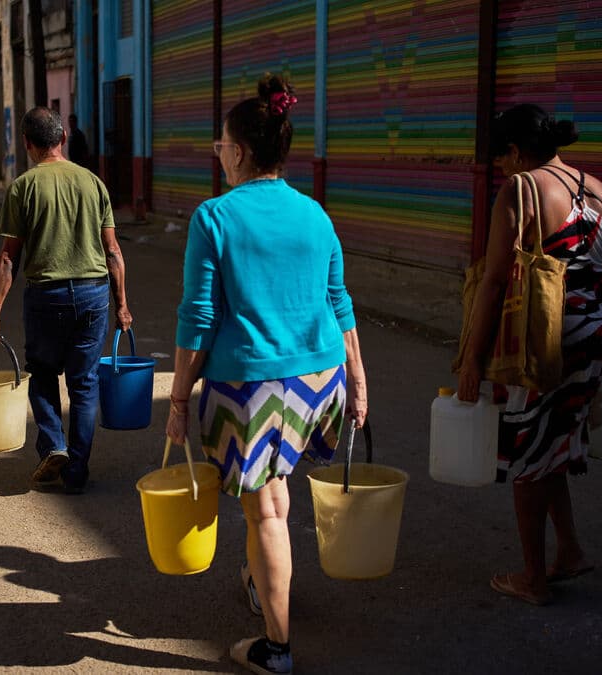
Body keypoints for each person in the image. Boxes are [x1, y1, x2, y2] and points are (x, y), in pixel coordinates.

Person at [165, 74, 368, 674]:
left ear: (242, 151)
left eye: (221, 143)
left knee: (268, 511)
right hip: (319, 379)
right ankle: (263, 581)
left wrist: (177, 397)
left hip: (253, 386)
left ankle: (276, 648)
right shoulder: (315, 215)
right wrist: (358, 379)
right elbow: (340, 302)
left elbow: (197, 319)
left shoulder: (215, 217)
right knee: (274, 489)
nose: (216, 152)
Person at [456, 103, 602, 606]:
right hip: (598, 331)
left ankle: (533, 578)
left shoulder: (521, 188)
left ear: (515, 152)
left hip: (549, 338)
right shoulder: (601, 191)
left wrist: (471, 358)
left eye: (502, 158)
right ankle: (569, 551)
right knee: (554, 443)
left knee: (529, 452)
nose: (502, 169)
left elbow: (491, 283)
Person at [0, 106, 132, 495]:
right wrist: (122, 305)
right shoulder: (93, 183)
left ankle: (54, 445)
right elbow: (113, 251)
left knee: (43, 374)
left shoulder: (23, 187)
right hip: (93, 293)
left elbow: (7, 257)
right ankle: (76, 470)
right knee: (84, 384)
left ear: (29, 144)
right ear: (63, 139)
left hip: (45, 295)